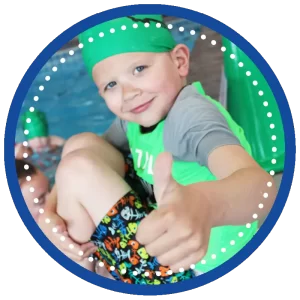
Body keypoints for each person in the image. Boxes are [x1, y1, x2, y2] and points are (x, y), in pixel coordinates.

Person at [37, 15, 277, 284]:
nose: (128, 93)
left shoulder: (192, 116)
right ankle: (67, 244)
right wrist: (50, 210)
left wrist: (206, 205)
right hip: (157, 231)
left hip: (190, 266)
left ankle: (79, 259)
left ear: (180, 61)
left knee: (76, 169)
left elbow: (262, 189)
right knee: (80, 144)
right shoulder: (136, 119)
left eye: (139, 69)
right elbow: (84, 150)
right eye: (111, 85)